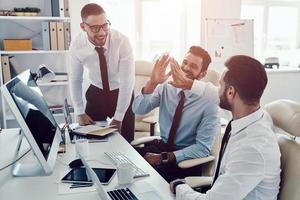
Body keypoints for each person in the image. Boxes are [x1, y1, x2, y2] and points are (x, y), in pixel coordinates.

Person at [169, 55, 281, 200]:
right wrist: (188, 83)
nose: (218, 89)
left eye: (220, 85)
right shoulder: (254, 116)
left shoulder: (252, 149)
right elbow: (216, 94)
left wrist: (179, 186)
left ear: (231, 92)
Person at [132, 46, 220, 182]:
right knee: (126, 161)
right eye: (184, 62)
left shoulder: (209, 103)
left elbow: (202, 149)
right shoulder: (167, 87)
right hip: (161, 146)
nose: (185, 68)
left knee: (144, 179)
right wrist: (153, 82)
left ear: (202, 74)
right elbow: (138, 109)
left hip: (184, 159)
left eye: (193, 66)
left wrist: (163, 157)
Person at [68, 3, 135, 142]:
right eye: (95, 28)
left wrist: (119, 117)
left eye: (105, 25)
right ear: (83, 27)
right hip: (96, 92)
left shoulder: (121, 41)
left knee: (126, 143)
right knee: (91, 140)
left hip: (121, 92)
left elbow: (127, 82)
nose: (102, 32)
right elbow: (75, 79)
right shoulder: (77, 45)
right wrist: (79, 111)